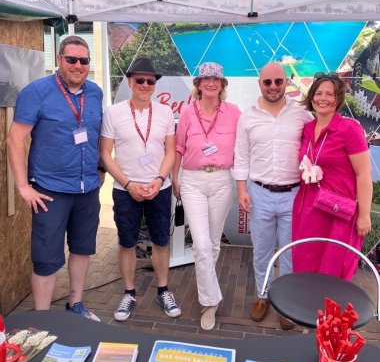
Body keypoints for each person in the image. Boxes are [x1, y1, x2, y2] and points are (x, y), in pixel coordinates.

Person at [6, 35, 103, 321]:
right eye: (71, 59)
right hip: (50, 190)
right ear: (59, 60)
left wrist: (100, 171)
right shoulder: (36, 92)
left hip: (87, 189)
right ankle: (42, 319)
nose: (78, 65)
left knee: (82, 248)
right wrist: (23, 187)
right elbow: (14, 140)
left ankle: (75, 304)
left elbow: (98, 137)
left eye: (83, 61)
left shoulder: (95, 93)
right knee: (46, 258)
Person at [99, 57, 181, 321]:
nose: (145, 85)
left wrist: (159, 179)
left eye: (150, 81)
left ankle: (163, 290)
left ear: (155, 84)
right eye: (140, 80)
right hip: (126, 190)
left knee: (161, 240)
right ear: (130, 82)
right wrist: (128, 183)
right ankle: (129, 293)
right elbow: (105, 154)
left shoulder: (166, 112)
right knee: (127, 242)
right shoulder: (113, 112)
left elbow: (170, 151)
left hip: (159, 186)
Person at [233, 62, 312, 330]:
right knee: (262, 251)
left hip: (294, 195)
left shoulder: (302, 114)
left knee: (290, 253)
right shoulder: (248, 116)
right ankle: (263, 295)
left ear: (286, 82)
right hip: (260, 194)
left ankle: (286, 302)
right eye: (268, 82)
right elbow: (241, 156)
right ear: (260, 84)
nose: (273, 87)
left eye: (278, 81)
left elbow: (319, 141)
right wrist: (241, 189)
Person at [172, 62, 241, 331]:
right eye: (205, 79)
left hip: (223, 180)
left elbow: (244, 147)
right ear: (198, 84)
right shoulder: (188, 112)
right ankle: (210, 302)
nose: (211, 83)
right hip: (193, 181)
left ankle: (205, 286)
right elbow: (178, 147)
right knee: (201, 245)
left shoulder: (234, 113)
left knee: (212, 243)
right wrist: (174, 178)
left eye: (216, 79)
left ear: (222, 84)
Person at [292, 72, 372, 279]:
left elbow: (363, 174)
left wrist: (364, 215)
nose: (323, 98)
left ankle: (327, 311)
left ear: (338, 99)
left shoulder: (350, 129)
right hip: (307, 208)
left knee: (333, 268)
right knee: (305, 262)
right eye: (318, 93)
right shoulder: (307, 129)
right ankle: (306, 309)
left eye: (330, 94)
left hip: (337, 213)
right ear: (311, 97)